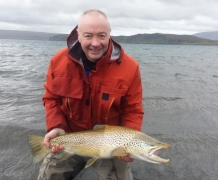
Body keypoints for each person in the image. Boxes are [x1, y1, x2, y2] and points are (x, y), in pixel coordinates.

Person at [38, 9, 144, 180]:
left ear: (110, 35)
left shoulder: (130, 68)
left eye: (101, 35)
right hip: (69, 137)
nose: (95, 43)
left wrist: (128, 144)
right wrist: (56, 126)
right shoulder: (58, 61)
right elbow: (51, 98)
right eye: (88, 36)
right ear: (78, 35)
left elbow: (133, 110)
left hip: (110, 146)